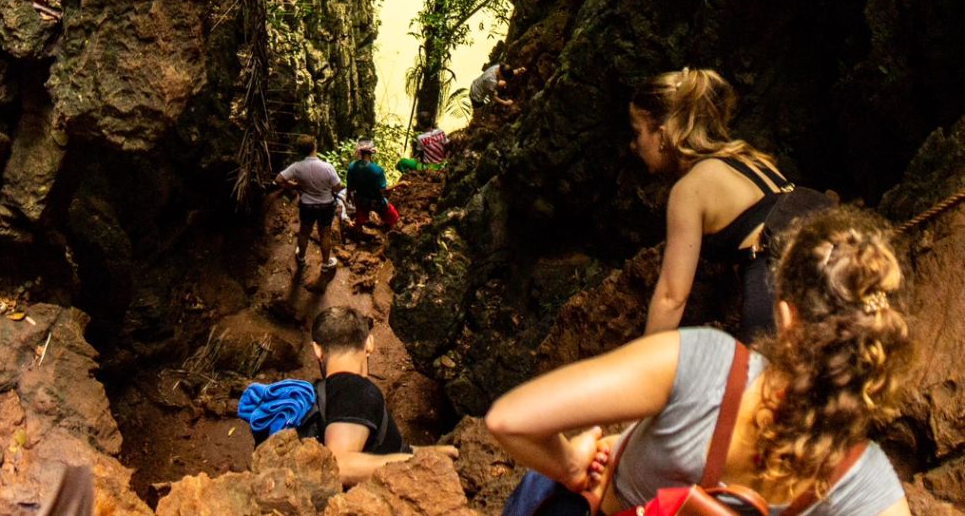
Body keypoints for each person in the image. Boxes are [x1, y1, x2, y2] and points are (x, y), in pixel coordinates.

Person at [485, 206, 911, 516]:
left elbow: (510, 419)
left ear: (786, 318)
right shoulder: (864, 479)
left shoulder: (708, 364)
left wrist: (572, 466)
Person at [629, 66, 798, 344]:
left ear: (661, 135)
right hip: (834, 261)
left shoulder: (689, 190)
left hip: (780, 282)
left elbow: (672, 296)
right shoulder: (749, 158)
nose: (634, 146)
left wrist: (640, 367)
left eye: (637, 133)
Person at [302, 306, 458, 485]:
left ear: (317, 350)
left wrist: (430, 454)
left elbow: (382, 451)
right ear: (369, 344)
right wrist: (417, 465)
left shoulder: (321, 394)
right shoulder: (355, 390)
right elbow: (339, 466)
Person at [275, 134, 342, 276]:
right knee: (325, 234)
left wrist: (293, 186)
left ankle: (301, 258)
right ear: (315, 146)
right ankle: (325, 265)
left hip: (307, 205)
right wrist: (326, 189)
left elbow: (278, 180)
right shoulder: (327, 167)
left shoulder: (297, 167)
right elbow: (337, 187)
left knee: (304, 232)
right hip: (326, 205)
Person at [347, 140, 398, 231]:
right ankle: (389, 234)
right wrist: (399, 184)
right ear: (371, 152)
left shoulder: (352, 166)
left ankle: (358, 233)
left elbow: (350, 187)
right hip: (376, 202)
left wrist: (349, 196)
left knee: (360, 218)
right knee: (394, 217)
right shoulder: (377, 170)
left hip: (360, 200)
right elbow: (383, 191)